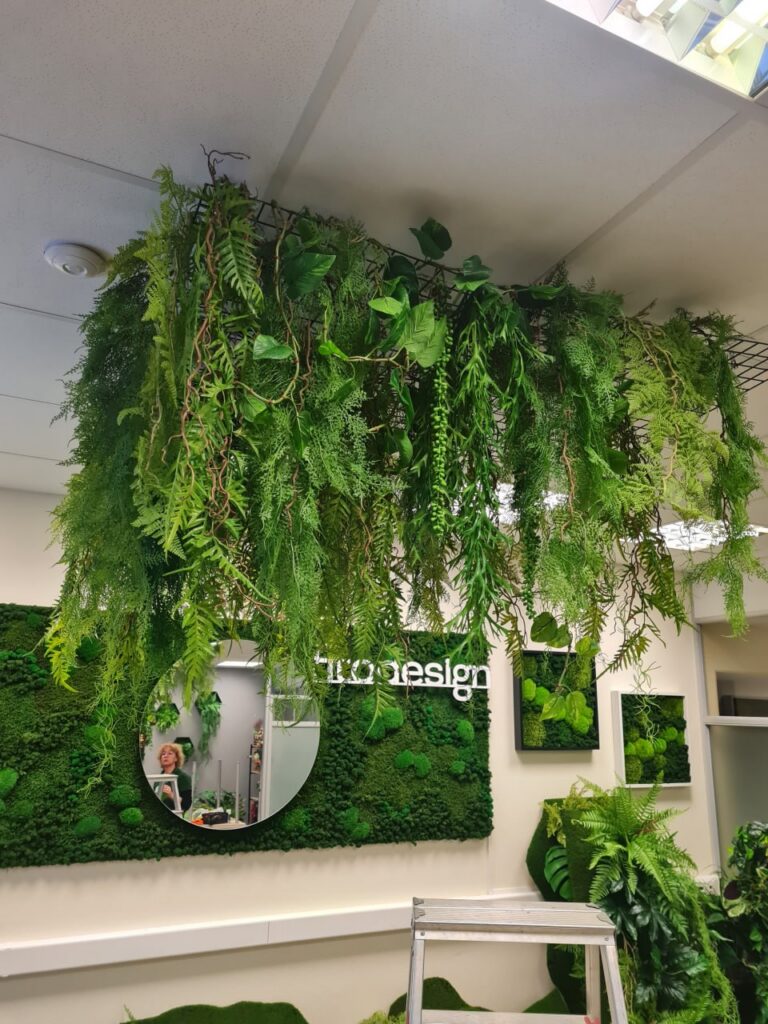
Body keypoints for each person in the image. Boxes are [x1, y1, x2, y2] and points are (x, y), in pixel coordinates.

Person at [156, 742, 192, 812]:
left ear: (176, 758)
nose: (165, 756)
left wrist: (171, 794)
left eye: (170, 753)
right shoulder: (158, 778)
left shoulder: (183, 777)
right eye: (163, 754)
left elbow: (187, 804)